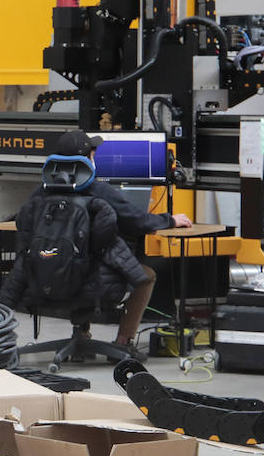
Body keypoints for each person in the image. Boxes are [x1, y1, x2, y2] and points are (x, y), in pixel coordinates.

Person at [49, 130, 191, 349]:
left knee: (79, 259)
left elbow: (24, 223)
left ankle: (81, 333)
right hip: (92, 278)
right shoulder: (99, 190)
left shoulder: (44, 191)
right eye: (93, 153)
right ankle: (123, 341)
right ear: (87, 159)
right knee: (146, 276)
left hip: (51, 274)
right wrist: (169, 220)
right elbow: (138, 220)